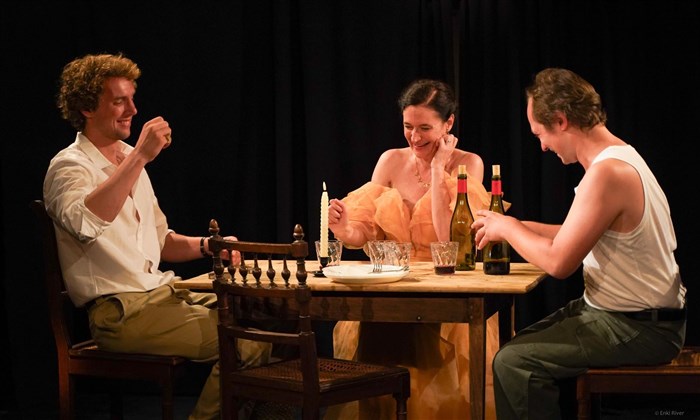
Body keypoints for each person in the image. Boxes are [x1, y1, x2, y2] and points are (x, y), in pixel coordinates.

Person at [43, 53, 270, 420]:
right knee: (245, 343)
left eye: (132, 99)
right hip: (120, 314)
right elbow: (86, 224)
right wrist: (139, 159)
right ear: (87, 107)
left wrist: (210, 246)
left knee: (267, 319)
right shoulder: (69, 167)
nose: (132, 110)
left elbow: (161, 240)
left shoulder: (128, 158)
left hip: (163, 294)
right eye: (119, 101)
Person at [472, 68, 687, 419]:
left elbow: (559, 262)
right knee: (514, 348)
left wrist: (509, 229)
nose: (543, 146)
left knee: (515, 364)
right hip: (623, 315)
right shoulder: (620, 156)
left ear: (560, 121)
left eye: (540, 134)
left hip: (642, 328)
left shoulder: (608, 173)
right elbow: (574, 233)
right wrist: (515, 226)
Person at [327, 79, 498, 419]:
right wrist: (344, 228)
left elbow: (449, 240)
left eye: (425, 128)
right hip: (392, 290)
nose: (415, 137)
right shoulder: (390, 161)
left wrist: (437, 170)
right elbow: (365, 231)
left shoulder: (469, 164)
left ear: (448, 124)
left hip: (447, 293)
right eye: (408, 126)